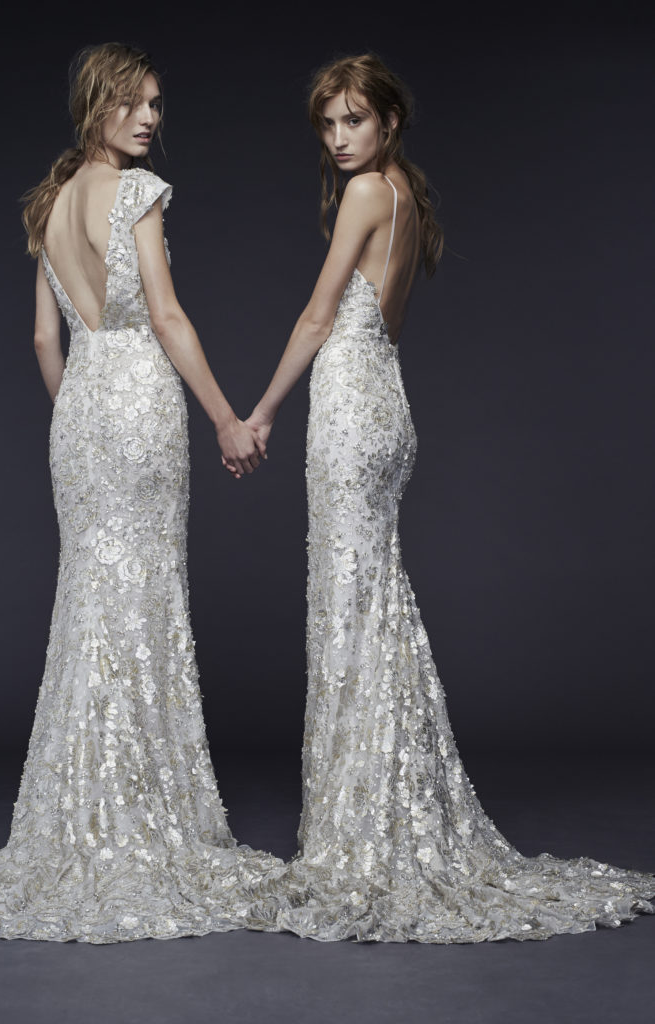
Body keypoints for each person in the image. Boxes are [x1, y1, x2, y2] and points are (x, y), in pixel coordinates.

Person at [244, 53, 655, 942]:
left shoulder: (365, 194)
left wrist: (263, 411)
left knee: (350, 604)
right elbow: (380, 322)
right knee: (371, 601)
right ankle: (383, 807)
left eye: (354, 120)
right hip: (388, 405)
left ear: (389, 121)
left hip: (349, 410)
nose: (338, 138)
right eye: (327, 124)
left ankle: (362, 829)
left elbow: (318, 316)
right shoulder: (407, 196)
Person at [0, 42, 281, 943]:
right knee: (142, 595)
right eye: (135, 103)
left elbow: (44, 342)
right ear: (97, 107)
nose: (151, 117)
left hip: (80, 413)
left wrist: (80, 414)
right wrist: (225, 417)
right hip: (140, 401)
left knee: (90, 598)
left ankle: (77, 814)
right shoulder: (136, 193)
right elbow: (165, 315)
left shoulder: (49, 206)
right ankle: (140, 813)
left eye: (157, 103)